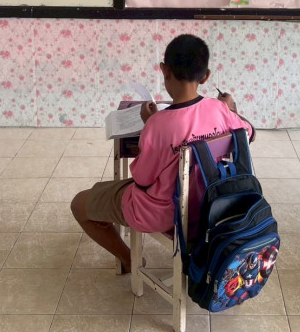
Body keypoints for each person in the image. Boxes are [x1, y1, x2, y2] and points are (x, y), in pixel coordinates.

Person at [70, 34, 254, 272]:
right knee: (109, 192)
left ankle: (130, 260)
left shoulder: (158, 124)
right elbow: (248, 134)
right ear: (206, 76)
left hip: (165, 213)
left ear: (165, 70)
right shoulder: (220, 109)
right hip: (213, 206)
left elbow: (142, 179)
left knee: (79, 204)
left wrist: (149, 124)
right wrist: (232, 109)